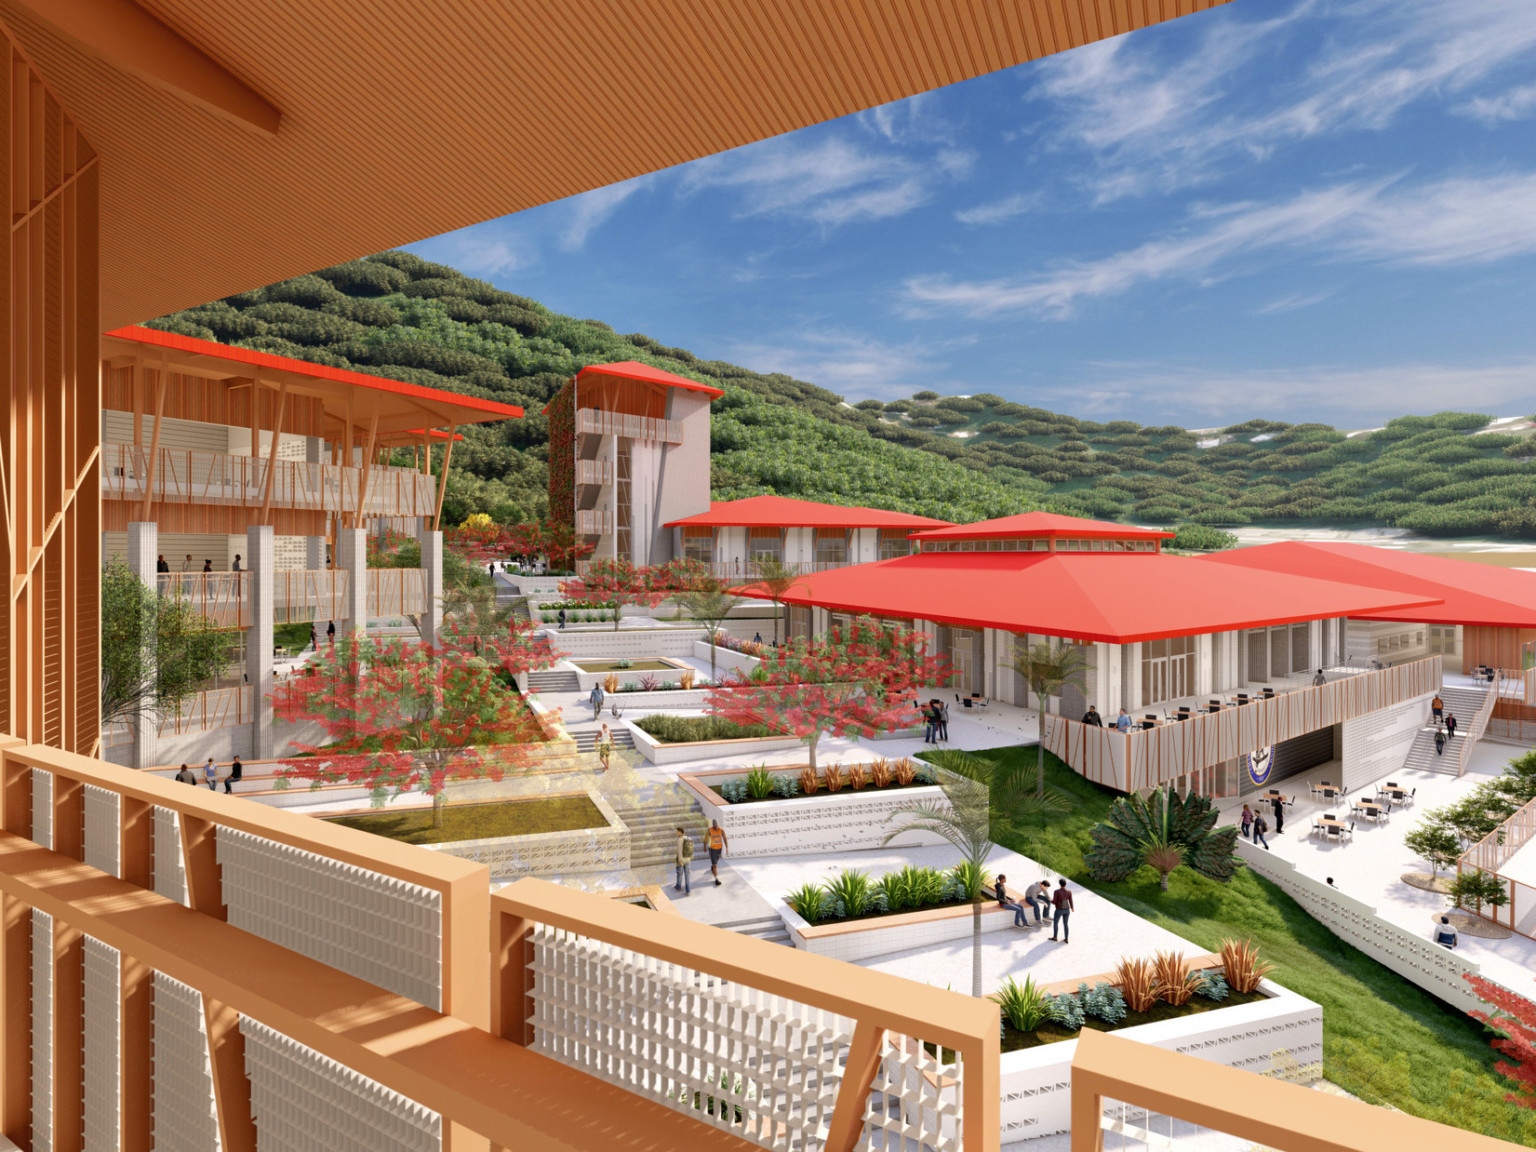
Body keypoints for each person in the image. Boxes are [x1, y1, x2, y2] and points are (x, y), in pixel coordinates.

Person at [1050, 879, 1074, 943]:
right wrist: (1072, 908)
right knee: (1066, 924)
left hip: (1059, 910)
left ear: (1059, 884)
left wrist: (1050, 900)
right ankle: (1066, 939)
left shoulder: (1057, 891)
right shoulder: (1069, 891)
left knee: (1055, 923)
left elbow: (1054, 902)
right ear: (1065, 884)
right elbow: (1070, 900)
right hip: (1067, 910)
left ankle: (1055, 937)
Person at [705, 819, 727, 886]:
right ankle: (716, 879)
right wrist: (704, 846)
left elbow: (725, 838)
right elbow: (706, 838)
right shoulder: (709, 830)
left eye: (716, 826)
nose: (716, 827)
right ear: (713, 825)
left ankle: (712, 866)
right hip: (712, 849)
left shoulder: (721, 830)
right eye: (714, 826)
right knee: (715, 865)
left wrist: (727, 847)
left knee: (716, 862)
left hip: (719, 849)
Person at [673, 827, 693, 894]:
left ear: (680, 832)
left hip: (681, 860)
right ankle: (688, 890)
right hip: (687, 859)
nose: (676, 833)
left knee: (679, 874)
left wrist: (680, 861)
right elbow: (690, 850)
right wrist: (689, 859)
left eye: (677, 831)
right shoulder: (687, 838)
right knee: (687, 875)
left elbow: (679, 851)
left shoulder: (679, 840)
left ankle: (678, 887)